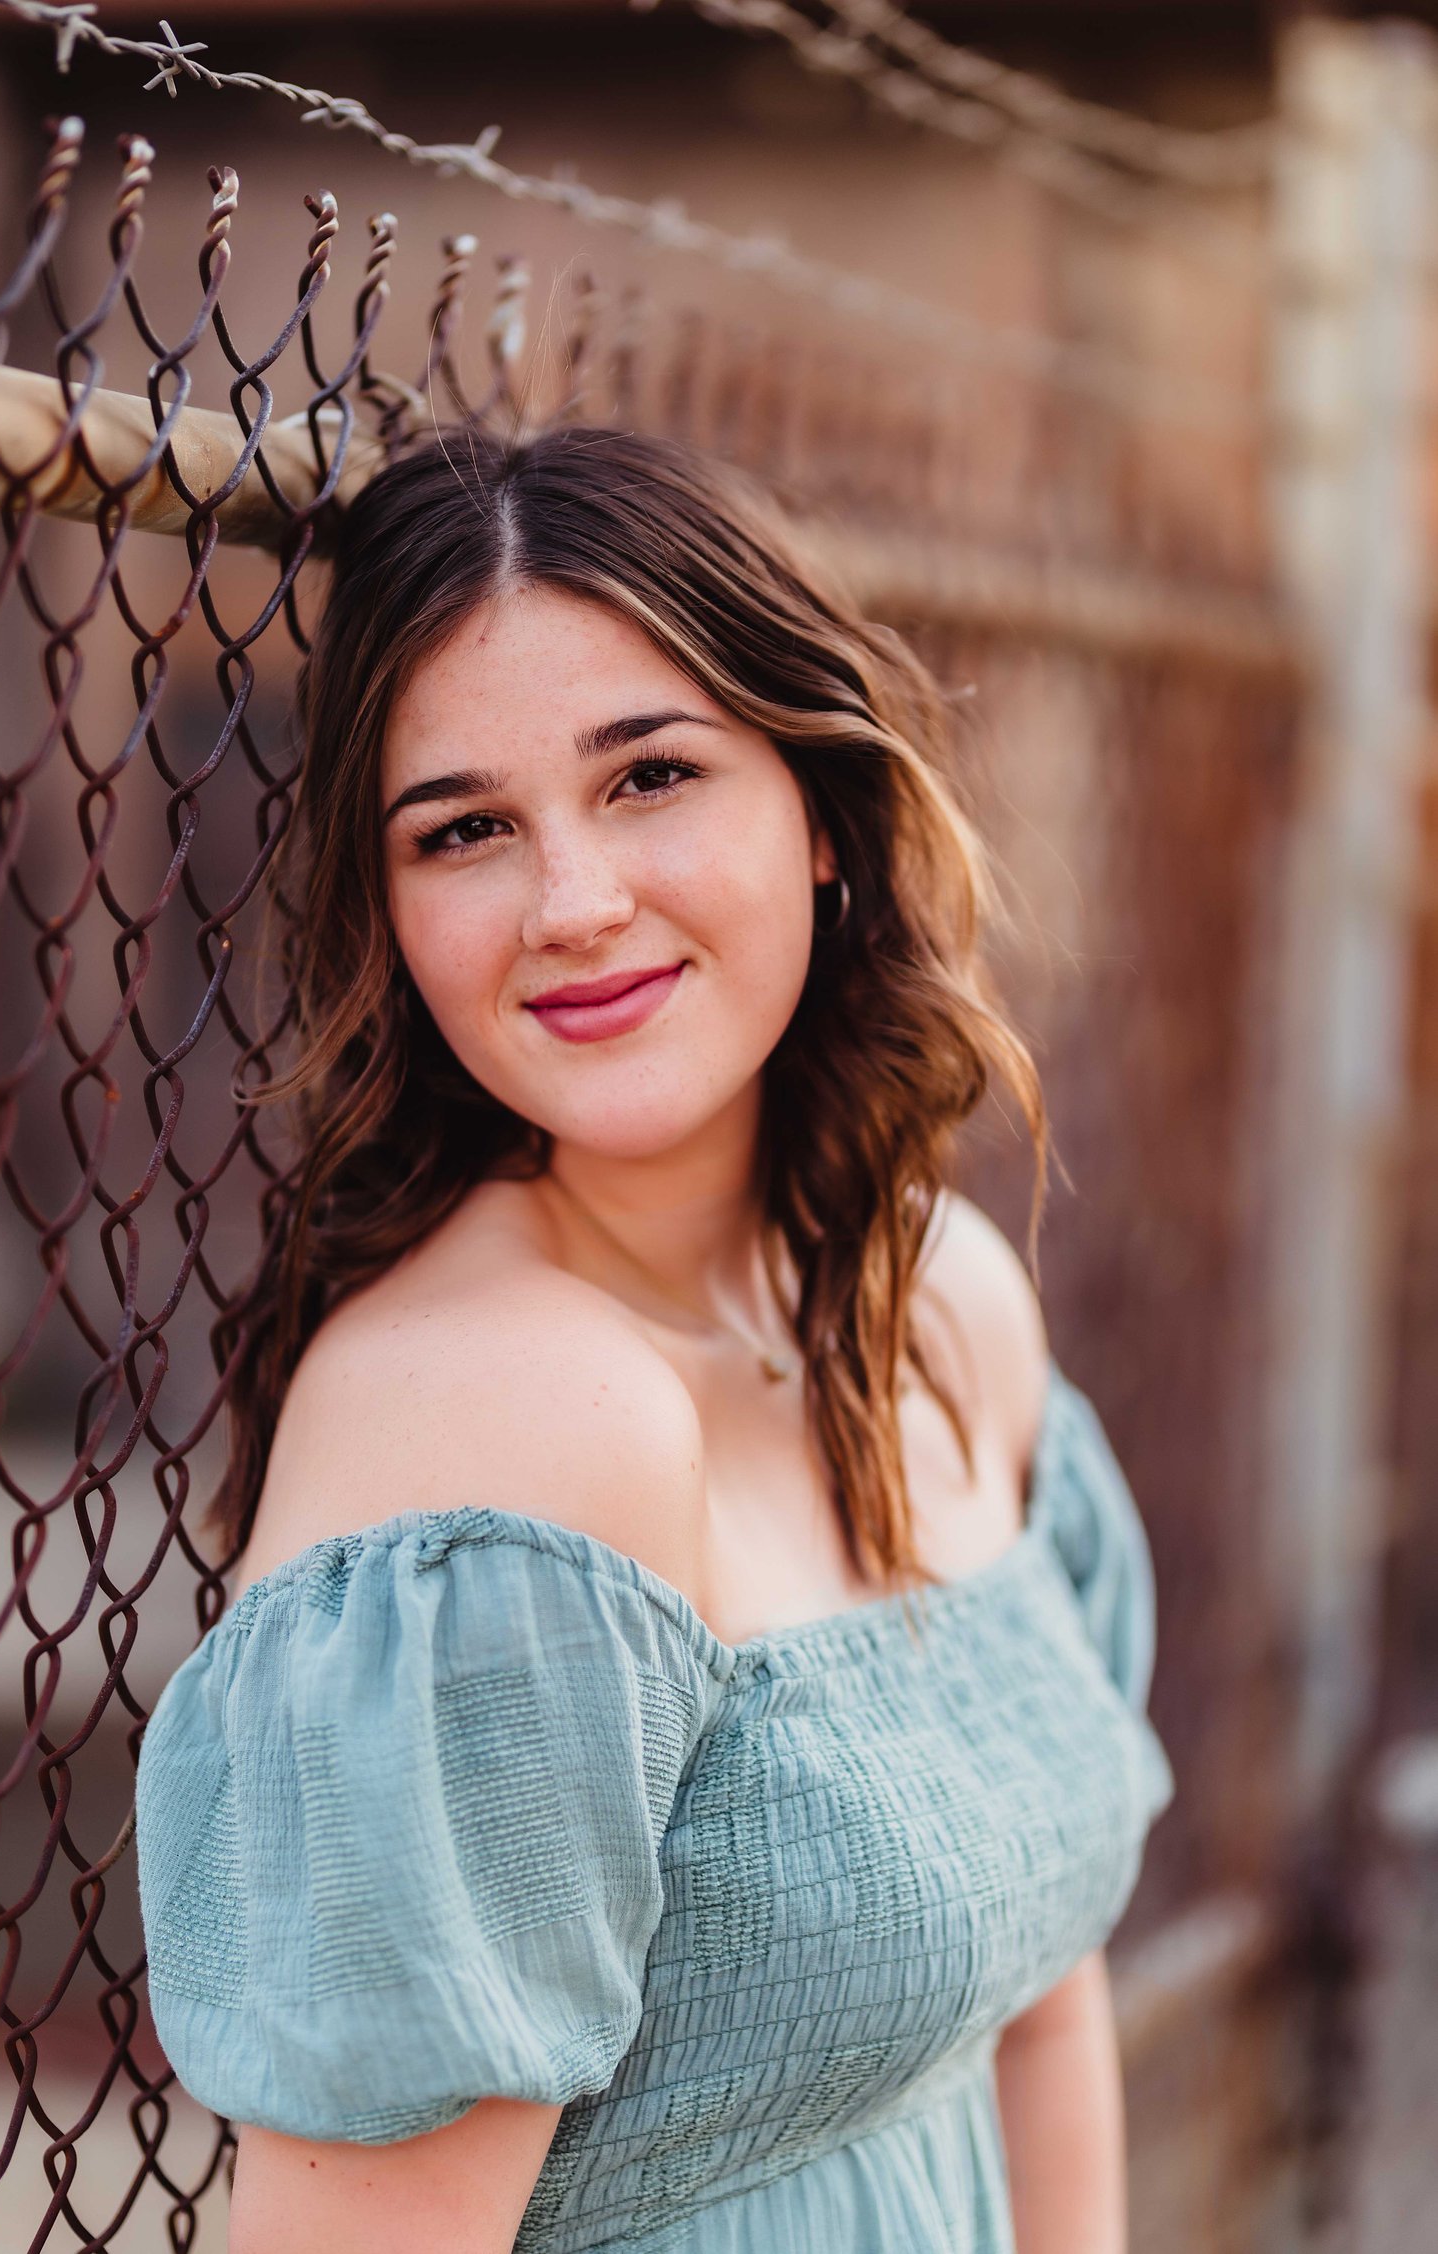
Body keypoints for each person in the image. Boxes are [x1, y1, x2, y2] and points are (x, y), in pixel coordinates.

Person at [132, 420, 1174, 2254]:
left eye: (650, 777)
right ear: (388, 918)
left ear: (829, 821)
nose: (575, 904)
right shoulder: (513, 1424)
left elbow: (1043, 1989)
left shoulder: (937, 1309)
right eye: (465, 829)